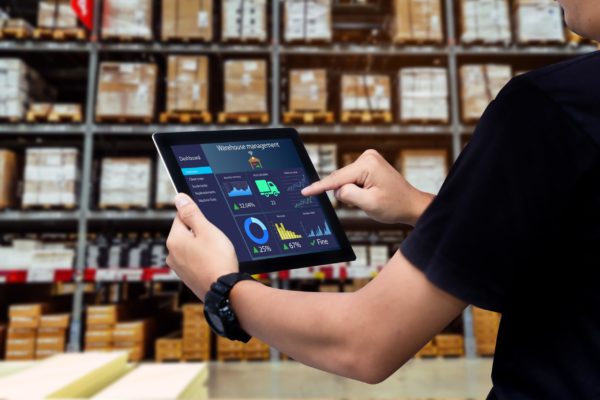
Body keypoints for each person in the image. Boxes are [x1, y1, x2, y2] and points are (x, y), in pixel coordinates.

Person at [165, 2, 600, 398]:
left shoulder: (546, 107)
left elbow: (364, 341)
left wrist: (221, 287)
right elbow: (575, 262)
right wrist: (423, 207)